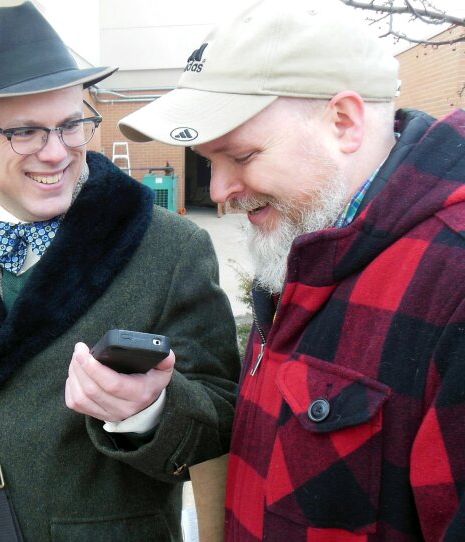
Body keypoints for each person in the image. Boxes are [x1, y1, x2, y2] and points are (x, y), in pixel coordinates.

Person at [0, 3, 240, 540]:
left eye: (72, 125)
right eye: (25, 132)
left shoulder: (172, 247)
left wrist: (147, 411)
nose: (56, 153)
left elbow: (220, 419)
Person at [119, 0, 465, 539]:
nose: (218, 191)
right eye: (211, 161)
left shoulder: (452, 283)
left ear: (343, 122)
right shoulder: (299, 242)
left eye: (243, 154)